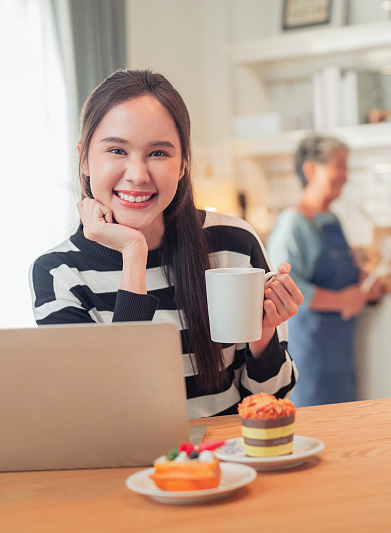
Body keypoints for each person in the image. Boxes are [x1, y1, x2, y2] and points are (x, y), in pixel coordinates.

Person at [29, 69, 303, 418]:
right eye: (117, 150)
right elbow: (104, 409)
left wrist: (262, 335)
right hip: (130, 467)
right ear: (84, 159)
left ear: (183, 163)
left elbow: (273, 398)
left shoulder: (233, 242)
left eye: (158, 153)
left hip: (231, 462)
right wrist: (133, 254)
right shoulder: (58, 273)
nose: (138, 174)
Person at [265, 134, 382, 407]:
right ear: (311, 169)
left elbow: (343, 270)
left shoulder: (331, 220)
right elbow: (286, 286)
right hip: (311, 352)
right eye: (338, 166)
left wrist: (363, 277)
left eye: (346, 166)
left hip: (339, 350)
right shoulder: (292, 225)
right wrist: (344, 300)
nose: (345, 174)